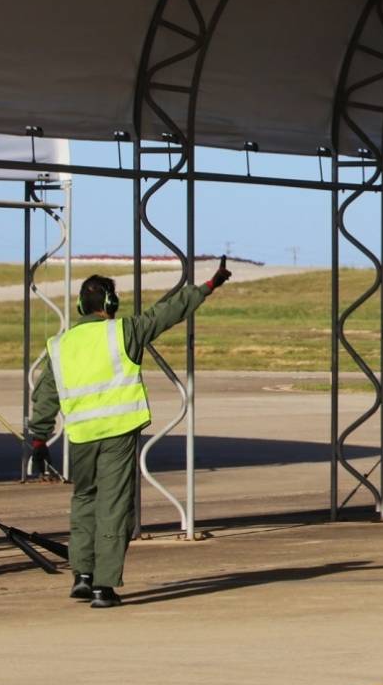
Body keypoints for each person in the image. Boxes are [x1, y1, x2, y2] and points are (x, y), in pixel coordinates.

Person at [28, 257, 232, 608]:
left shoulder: (61, 345)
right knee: (115, 506)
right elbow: (169, 312)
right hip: (118, 433)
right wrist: (209, 286)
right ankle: (103, 587)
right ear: (111, 304)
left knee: (84, 501)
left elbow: (45, 393)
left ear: (80, 305)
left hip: (80, 436)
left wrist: (38, 439)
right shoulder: (124, 331)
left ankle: (82, 575)